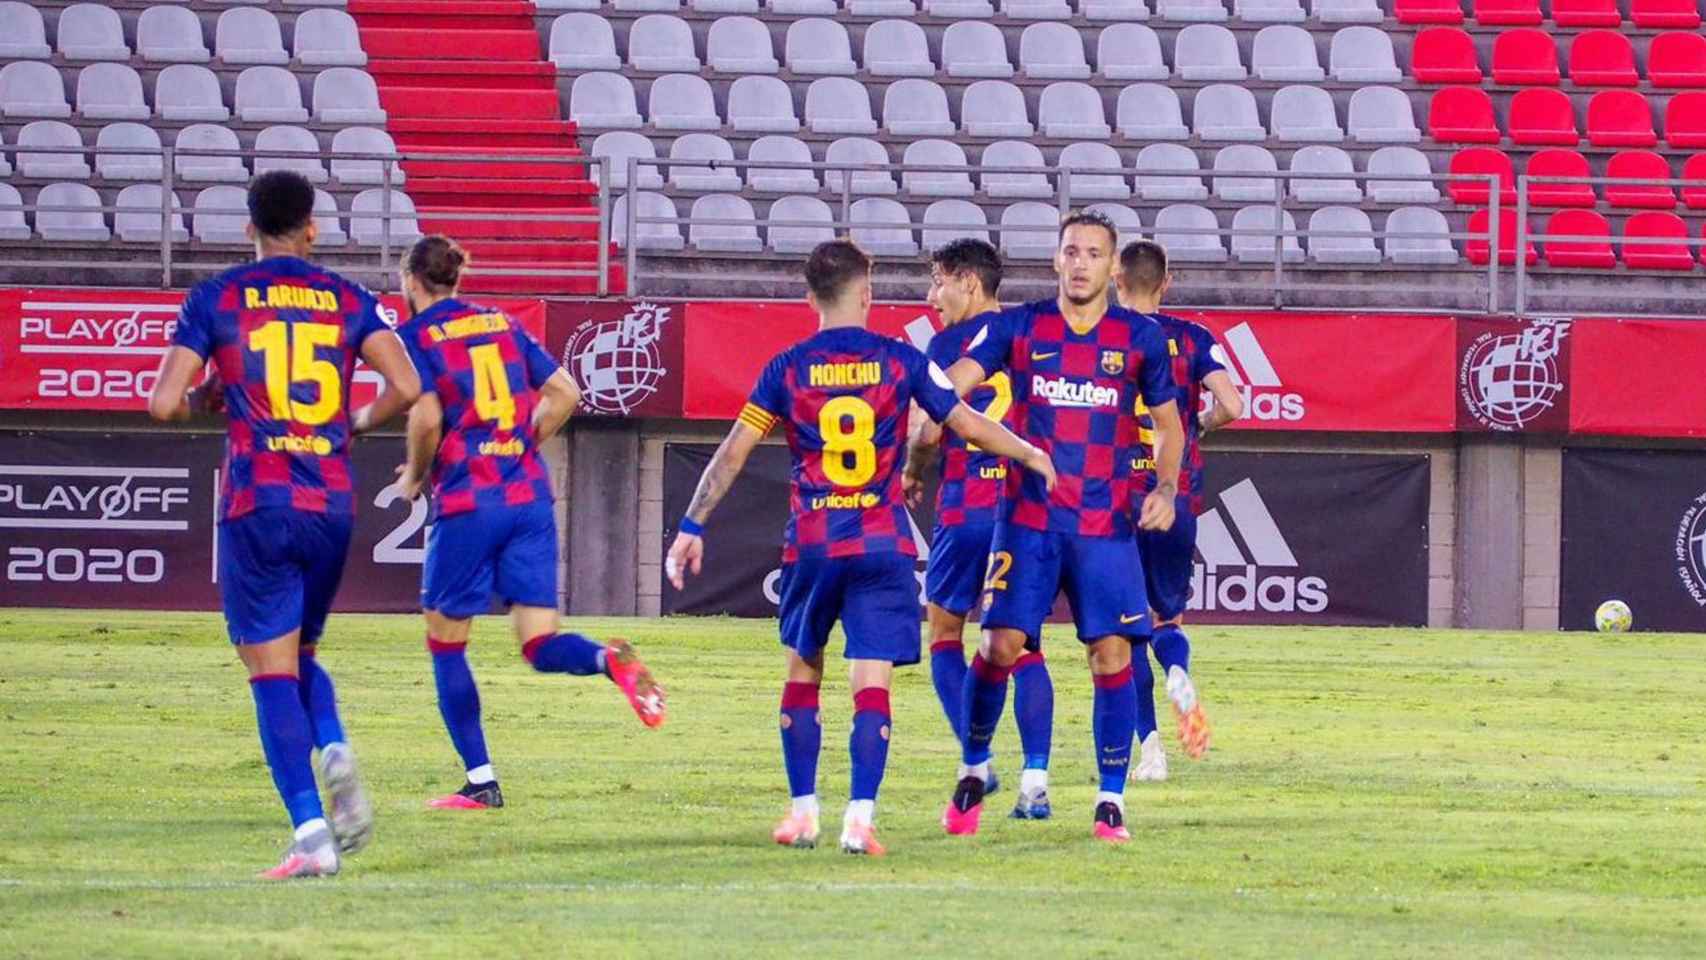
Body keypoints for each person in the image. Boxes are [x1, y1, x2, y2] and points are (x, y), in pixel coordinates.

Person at [665, 240, 1056, 856]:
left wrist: (692, 524)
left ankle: (802, 813)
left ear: (808, 297)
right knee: (871, 681)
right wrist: (1031, 452)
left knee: (804, 669)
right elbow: (961, 422)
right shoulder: (901, 358)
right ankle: (860, 818)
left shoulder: (787, 366)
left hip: (813, 544)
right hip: (882, 544)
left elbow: (734, 450)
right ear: (867, 294)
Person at [148, 170, 421, 878]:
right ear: (312, 227)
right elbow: (411, 386)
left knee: (268, 671)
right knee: (302, 656)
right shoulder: (347, 298)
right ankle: (330, 742)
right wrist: (351, 423)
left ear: (249, 230)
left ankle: (312, 838)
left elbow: (163, 402)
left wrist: (212, 396)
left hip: (258, 502)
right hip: (330, 500)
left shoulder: (217, 298)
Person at [937, 210, 1186, 843]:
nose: (1080, 262)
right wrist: (934, 396)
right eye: (1071, 251)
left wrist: (1162, 487)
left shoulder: (1139, 339)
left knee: (1112, 657)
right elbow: (956, 385)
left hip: (1105, 527)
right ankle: (973, 769)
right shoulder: (1019, 328)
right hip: (1026, 521)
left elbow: (1171, 427)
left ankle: (1110, 802)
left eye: (1094, 253)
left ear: (1112, 267)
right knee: (998, 647)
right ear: (1056, 260)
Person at [393, 236, 666, 811]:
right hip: (527, 497)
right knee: (540, 642)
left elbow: (424, 419)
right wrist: (522, 442)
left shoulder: (414, 338)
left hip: (468, 501)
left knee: (446, 646)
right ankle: (607, 660)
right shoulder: (499, 323)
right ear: (456, 279)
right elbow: (565, 391)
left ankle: (481, 781)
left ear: (411, 282)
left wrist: (416, 476)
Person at [902, 239, 1056, 821]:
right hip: (1022, 507)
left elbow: (930, 426)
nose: (931, 296)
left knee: (944, 632)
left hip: (968, 506)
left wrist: (914, 472)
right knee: (1025, 646)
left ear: (968, 281)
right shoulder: (1028, 336)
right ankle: (1035, 782)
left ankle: (978, 761)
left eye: (938, 282)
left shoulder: (947, 348)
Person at [1114, 240, 1244, 781]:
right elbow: (1234, 405)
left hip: (1118, 501)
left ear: (1117, 281)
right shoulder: (1194, 337)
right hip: (1176, 498)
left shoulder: (1106, 337)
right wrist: (1197, 426)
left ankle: (1150, 752)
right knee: (1169, 619)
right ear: (1166, 283)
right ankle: (1178, 671)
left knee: (1123, 634)